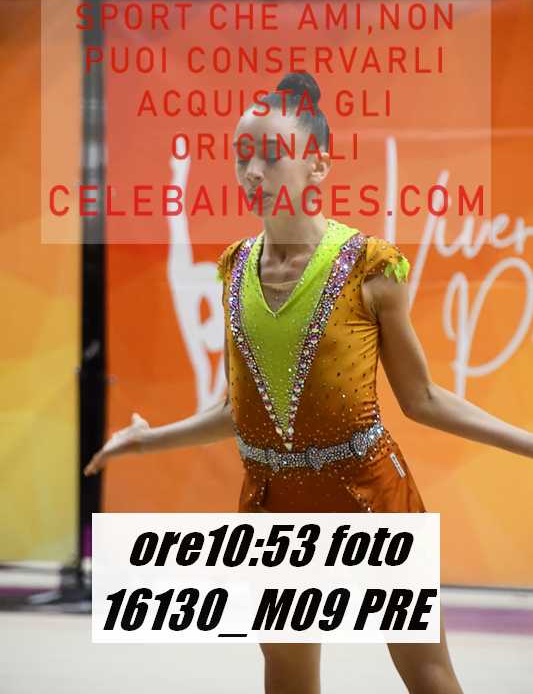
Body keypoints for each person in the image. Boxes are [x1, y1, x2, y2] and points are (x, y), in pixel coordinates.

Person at [85, 71, 532, 694]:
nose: (253, 172)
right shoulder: (235, 268)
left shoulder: (370, 268)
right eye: (242, 156)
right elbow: (236, 411)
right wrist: (145, 441)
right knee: (288, 674)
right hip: (274, 503)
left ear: (318, 165)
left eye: (271, 155)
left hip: (369, 498)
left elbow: (423, 398)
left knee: (428, 675)